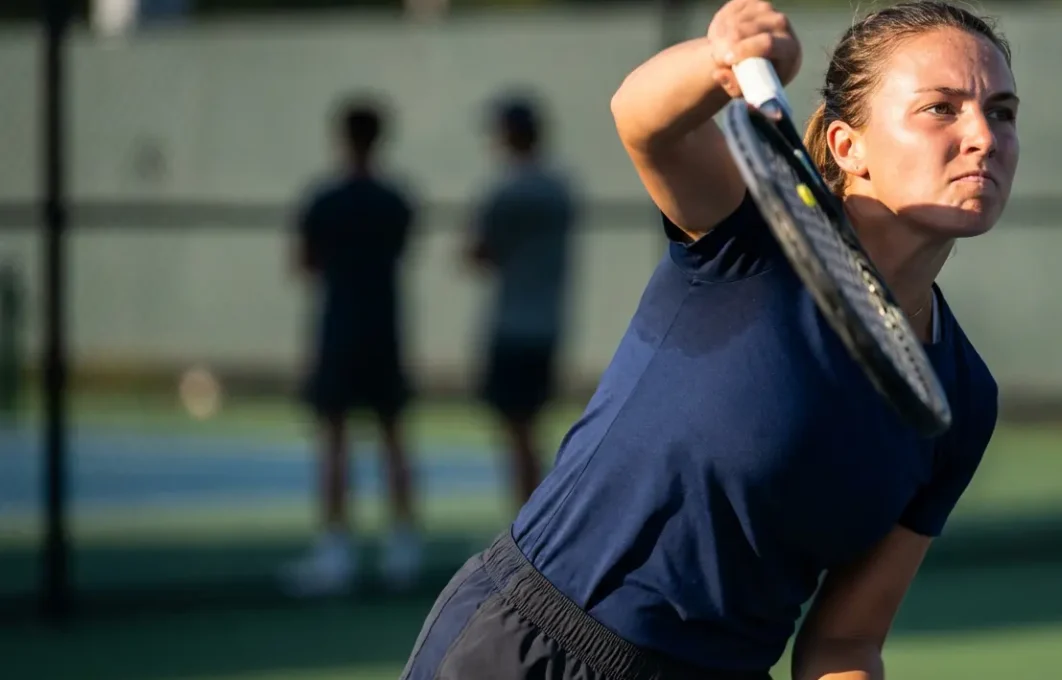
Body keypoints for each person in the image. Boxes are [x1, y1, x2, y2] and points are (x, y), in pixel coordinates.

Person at [400, 0, 1015, 677]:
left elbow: (845, 643)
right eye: (942, 108)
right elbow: (643, 119)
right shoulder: (752, 235)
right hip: (532, 651)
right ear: (848, 147)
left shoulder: (961, 399)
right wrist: (720, 58)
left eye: (1003, 111)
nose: (984, 135)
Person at [285, 96, 421, 597]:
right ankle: (403, 548)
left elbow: (303, 263)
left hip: (340, 330)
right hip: (384, 329)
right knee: (393, 437)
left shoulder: (325, 199)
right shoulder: (396, 200)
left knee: (335, 440)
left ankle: (336, 553)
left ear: (343, 138)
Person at [464, 93, 577, 507]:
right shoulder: (559, 189)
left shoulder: (505, 192)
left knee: (517, 432)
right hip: (547, 322)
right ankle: (534, 515)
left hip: (512, 325)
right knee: (532, 428)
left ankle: (528, 519)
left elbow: (477, 254)